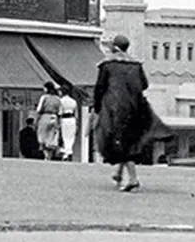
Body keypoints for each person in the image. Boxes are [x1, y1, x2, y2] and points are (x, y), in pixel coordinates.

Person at [93, 34, 170, 192]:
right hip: (135, 107)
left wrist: (97, 107)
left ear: (114, 47)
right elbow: (144, 85)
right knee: (125, 139)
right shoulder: (136, 64)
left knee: (121, 141)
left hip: (115, 107)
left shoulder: (107, 64)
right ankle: (118, 172)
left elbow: (100, 87)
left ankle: (133, 179)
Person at [35, 82, 62, 160]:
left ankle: (46, 154)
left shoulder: (44, 97)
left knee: (42, 136)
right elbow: (60, 111)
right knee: (51, 136)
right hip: (55, 117)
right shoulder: (58, 98)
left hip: (45, 116)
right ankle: (49, 155)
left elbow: (39, 109)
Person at [58, 85, 79, 161]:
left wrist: (59, 123)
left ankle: (67, 153)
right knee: (71, 136)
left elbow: (60, 112)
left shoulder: (61, 101)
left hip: (65, 119)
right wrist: (77, 123)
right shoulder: (73, 101)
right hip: (72, 119)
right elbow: (76, 114)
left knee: (65, 136)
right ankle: (69, 151)